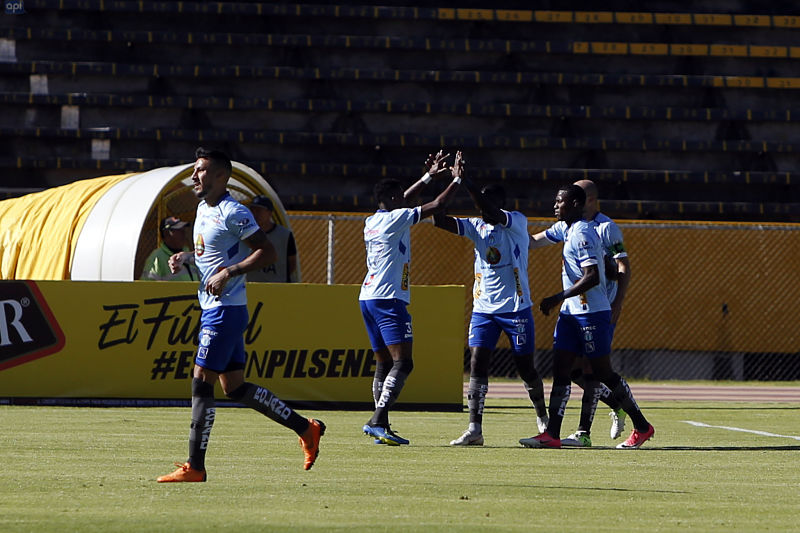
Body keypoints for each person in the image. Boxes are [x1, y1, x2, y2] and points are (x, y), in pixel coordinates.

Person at [157, 147, 325, 482]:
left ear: (221, 176)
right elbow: (212, 251)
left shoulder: (234, 211)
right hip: (219, 309)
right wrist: (188, 259)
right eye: (194, 170)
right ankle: (306, 428)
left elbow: (267, 251)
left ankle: (195, 467)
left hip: (224, 312)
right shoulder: (204, 207)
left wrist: (229, 272)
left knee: (202, 380)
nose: (194, 176)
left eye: (201, 170)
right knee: (233, 386)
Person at [519, 184, 654, 449]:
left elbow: (592, 276)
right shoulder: (565, 228)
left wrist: (557, 298)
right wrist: (506, 230)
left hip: (592, 313)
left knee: (602, 373)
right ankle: (552, 435)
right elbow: (532, 241)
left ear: (578, 204)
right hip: (571, 314)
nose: (555, 206)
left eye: (560, 202)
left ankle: (641, 426)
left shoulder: (585, 233)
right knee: (561, 370)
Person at [431, 181, 548, 446]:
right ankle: (475, 429)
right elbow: (440, 220)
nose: (480, 209)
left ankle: (543, 417)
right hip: (484, 309)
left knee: (525, 367)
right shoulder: (476, 225)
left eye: (484, 203)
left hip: (516, 308)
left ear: (499, 203)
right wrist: (449, 185)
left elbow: (491, 211)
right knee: (476, 363)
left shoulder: (516, 221)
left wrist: (467, 182)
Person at [360, 150, 463, 446]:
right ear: (394, 201)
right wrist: (455, 180)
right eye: (401, 199)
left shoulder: (374, 220)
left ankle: (381, 423)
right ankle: (378, 419)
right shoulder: (397, 218)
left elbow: (402, 198)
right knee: (403, 363)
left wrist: (429, 176)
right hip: (389, 298)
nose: (407, 202)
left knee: (383, 364)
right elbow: (439, 204)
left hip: (368, 296)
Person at [246, 195, 298, 283]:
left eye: (259, 210)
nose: (255, 214)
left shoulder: (284, 234)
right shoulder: (245, 233)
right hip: (252, 285)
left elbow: (292, 263)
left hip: (277, 286)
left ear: (269, 213)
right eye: (252, 210)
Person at [139, 216, 200, 281]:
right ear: (166, 233)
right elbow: (148, 285)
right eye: (178, 230)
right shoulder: (157, 257)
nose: (183, 233)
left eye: (183, 229)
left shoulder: (188, 256)